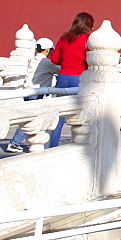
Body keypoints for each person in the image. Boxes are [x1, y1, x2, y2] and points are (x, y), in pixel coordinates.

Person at [47, 13, 94, 147]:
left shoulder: (64, 38)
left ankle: (53, 145)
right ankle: (80, 144)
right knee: (81, 113)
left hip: (63, 76)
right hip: (80, 77)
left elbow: (54, 59)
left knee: (59, 114)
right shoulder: (88, 39)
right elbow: (91, 60)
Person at [6, 38, 57, 153]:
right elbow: (60, 69)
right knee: (31, 119)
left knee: (30, 118)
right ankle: (14, 143)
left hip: (28, 91)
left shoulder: (33, 59)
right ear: (47, 50)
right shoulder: (46, 62)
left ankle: (27, 141)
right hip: (36, 93)